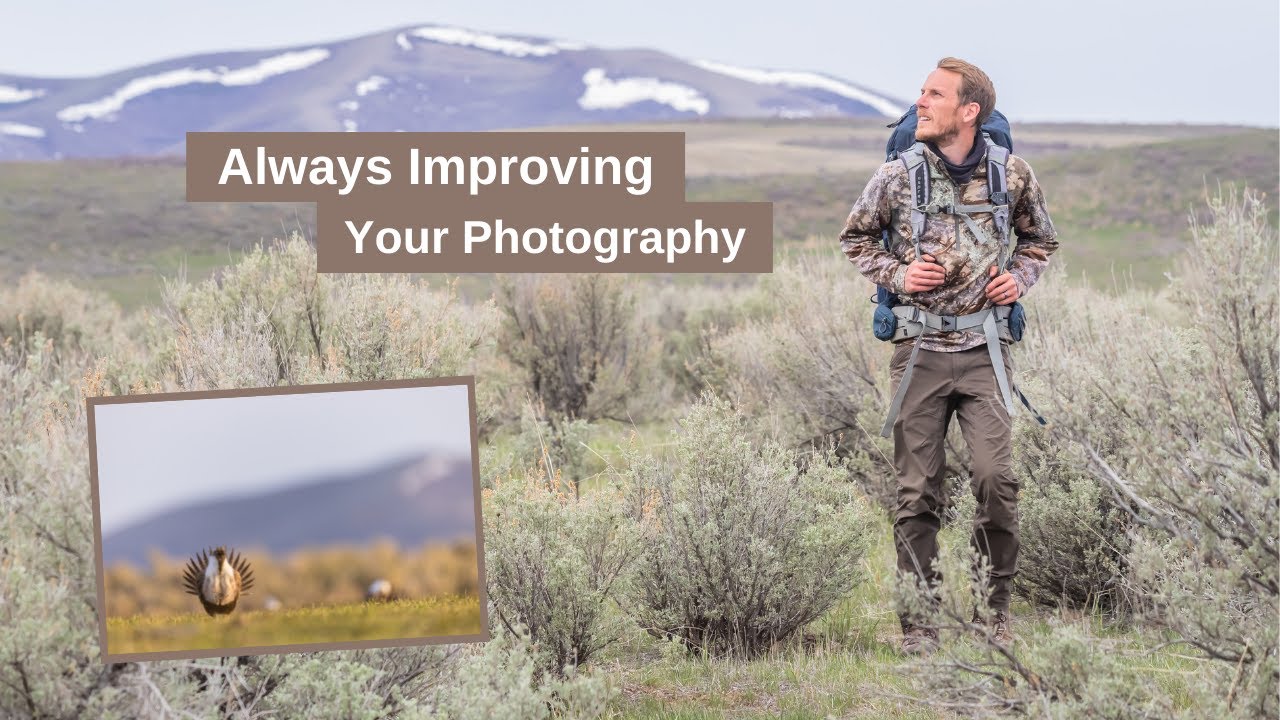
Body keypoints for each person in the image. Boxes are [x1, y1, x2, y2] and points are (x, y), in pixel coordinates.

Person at [838, 57, 1058, 655]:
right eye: (921, 93)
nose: (920, 104)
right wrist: (899, 273)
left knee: (997, 482)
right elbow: (854, 238)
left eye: (934, 95)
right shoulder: (897, 175)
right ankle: (920, 628)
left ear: (970, 111)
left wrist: (1019, 278)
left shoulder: (1011, 175)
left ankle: (995, 618)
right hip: (919, 353)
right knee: (917, 493)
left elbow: (1041, 240)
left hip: (986, 351)